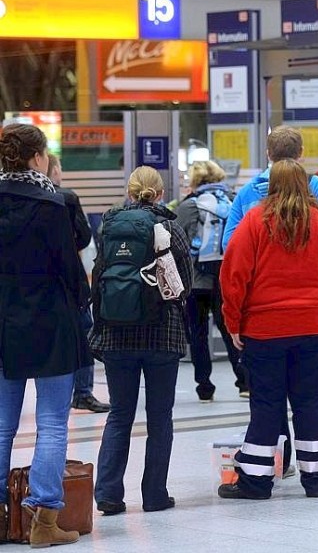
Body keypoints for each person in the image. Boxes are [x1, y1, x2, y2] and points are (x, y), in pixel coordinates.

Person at [218, 159, 318, 500]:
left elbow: (233, 276)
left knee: (266, 405)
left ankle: (256, 481)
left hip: (263, 330)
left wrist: (233, 322)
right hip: (313, 327)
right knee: (311, 403)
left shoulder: (253, 222)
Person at [0, 124, 92, 547]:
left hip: (3, 324)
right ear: (38, 158)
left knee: (2, 425)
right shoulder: (53, 205)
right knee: (52, 423)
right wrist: (83, 300)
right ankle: (43, 521)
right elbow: (70, 271)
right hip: (51, 325)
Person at [91, 166, 193, 515]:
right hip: (162, 334)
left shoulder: (108, 226)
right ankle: (154, 495)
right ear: (160, 193)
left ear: (130, 192)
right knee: (159, 417)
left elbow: (98, 277)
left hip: (117, 335)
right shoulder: (170, 228)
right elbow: (184, 284)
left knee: (119, 415)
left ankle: (108, 494)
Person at [176, 160, 248, 401]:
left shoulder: (188, 206)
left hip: (196, 280)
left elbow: (177, 240)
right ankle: (244, 381)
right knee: (229, 329)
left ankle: (204, 386)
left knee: (197, 334)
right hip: (225, 277)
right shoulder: (231, 201)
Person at [46, 153, 111, 414]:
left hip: (26, 285)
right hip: (67, 280)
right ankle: (82, 392)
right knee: (85, 331)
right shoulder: (66, 198)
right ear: (49, 167)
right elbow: (84, 238)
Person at [222, 125, 318, 250]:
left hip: (263, 268)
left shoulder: (248, 191)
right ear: (301, 152)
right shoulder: (313, 185)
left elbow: (229, 242)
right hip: (308, 265)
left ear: (268, 154)